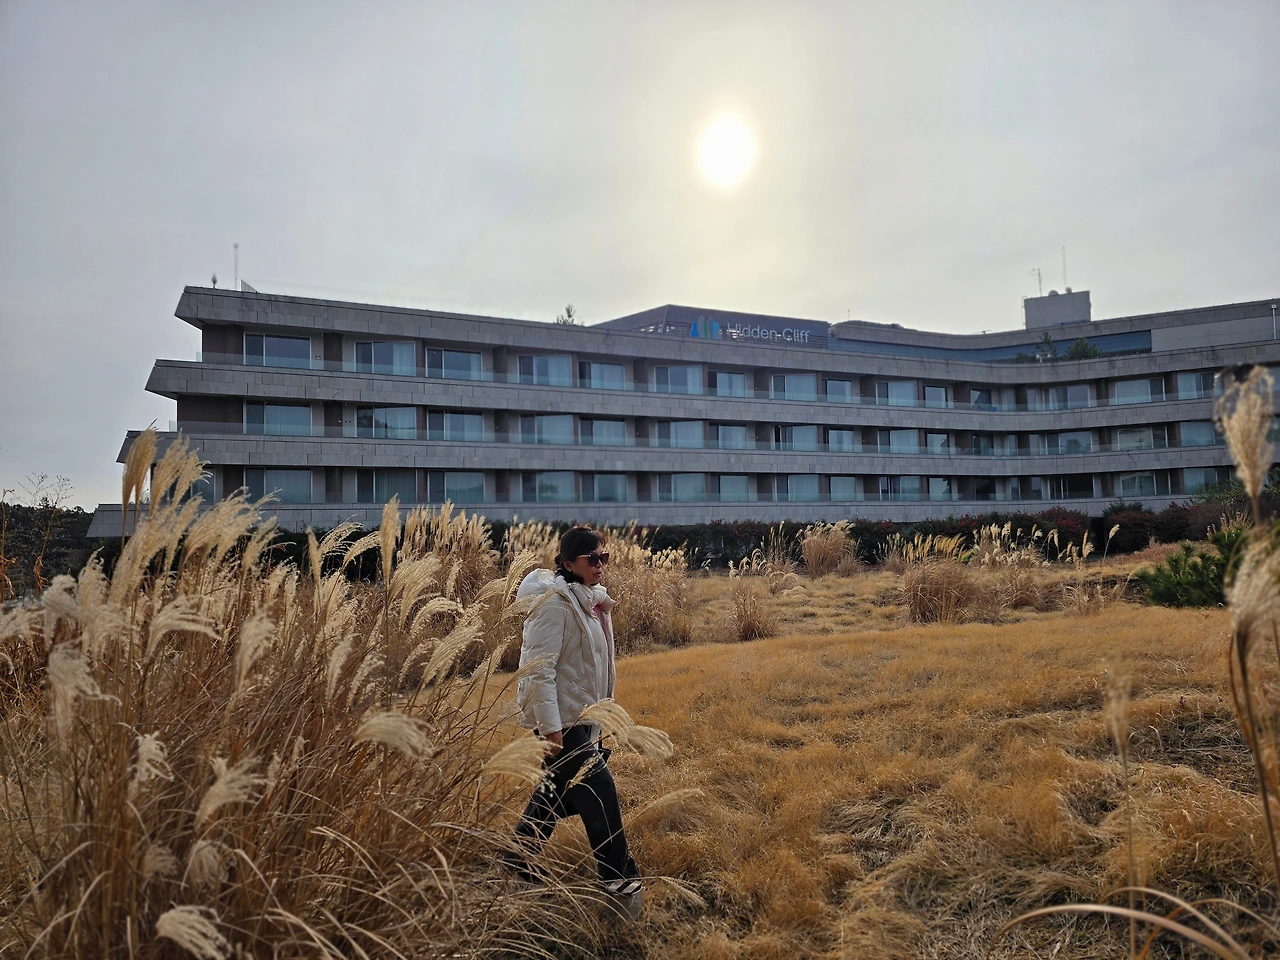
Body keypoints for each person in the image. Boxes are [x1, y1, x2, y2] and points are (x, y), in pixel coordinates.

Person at [503, 525, 642, 919]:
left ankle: (517, 857)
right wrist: (551, 728)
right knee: (600, 788)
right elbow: (538, 670)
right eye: (591, 558)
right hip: (563, 720)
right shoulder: (554, 605)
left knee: (556, 792)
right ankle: (619, 880)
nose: (600, 564)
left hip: (584, 714)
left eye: (604, 556)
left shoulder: (590, 600)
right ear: (567, 563)